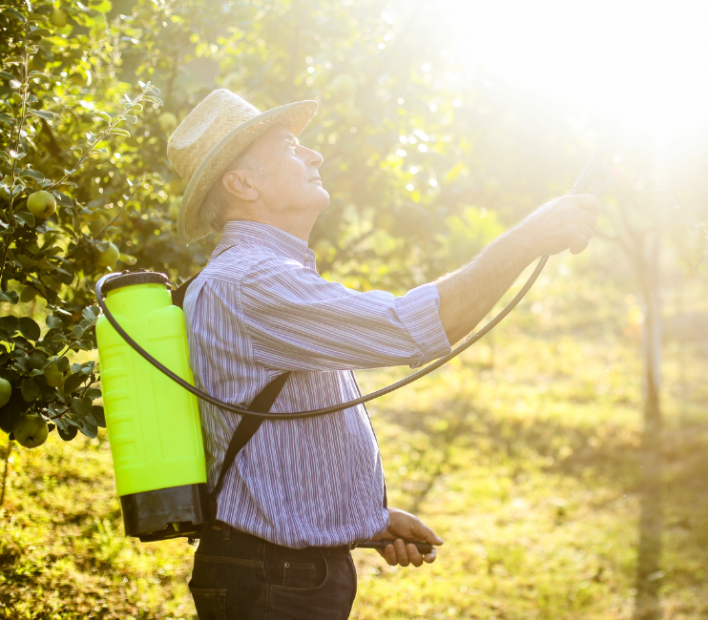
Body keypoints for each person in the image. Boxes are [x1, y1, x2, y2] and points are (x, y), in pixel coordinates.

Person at [165, 89, 598, 619]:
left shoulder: (262, 277)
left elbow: (276, 444)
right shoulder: (251, 281)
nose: (313, 155)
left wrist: (365, 519)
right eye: (290, 146)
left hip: (277, 575)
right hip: (271, 584)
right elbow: (416, 328)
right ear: (242, 183)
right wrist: (530, 236)